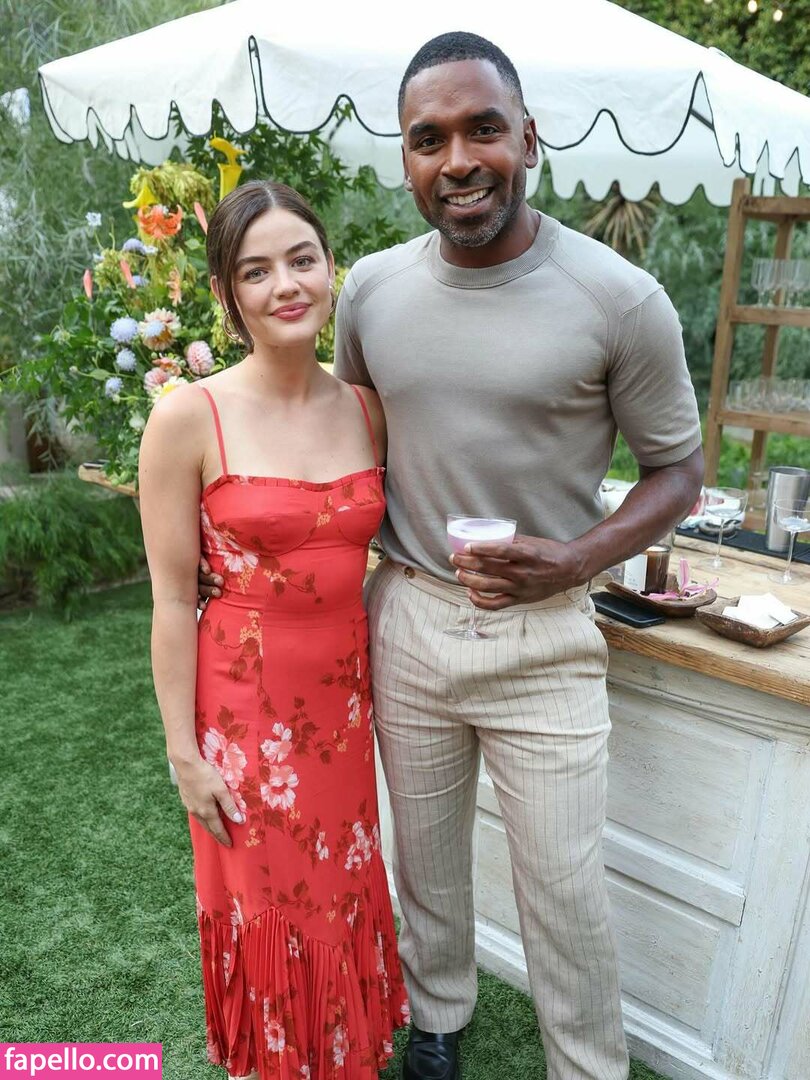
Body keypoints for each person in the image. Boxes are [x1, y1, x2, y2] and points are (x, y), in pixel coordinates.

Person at [200, 32, 704, 1080]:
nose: (459, 160)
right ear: (406, 159)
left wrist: (577, 559)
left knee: (563, 890)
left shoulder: (621, 299)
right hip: (409, 618)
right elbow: (342, 434)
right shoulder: (373, 292)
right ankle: (436, 1024)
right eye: (429, 140)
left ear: (530, 136)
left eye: (484, 130)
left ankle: (586, 1064)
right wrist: (244, 538)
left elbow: (679, 472)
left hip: (546, 637)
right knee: (423, 863)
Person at [139, 181, 408, 1080]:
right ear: (227, 293)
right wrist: (183, 754)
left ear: (331, 270)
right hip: (244, 722)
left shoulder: (367, 410)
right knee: (266, 907)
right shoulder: (188, 416)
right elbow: (171, 601)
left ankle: (344, 1056)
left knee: (341, 888)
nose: (286, 285)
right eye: (257, 271)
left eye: (302, 260)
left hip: (343, 714)